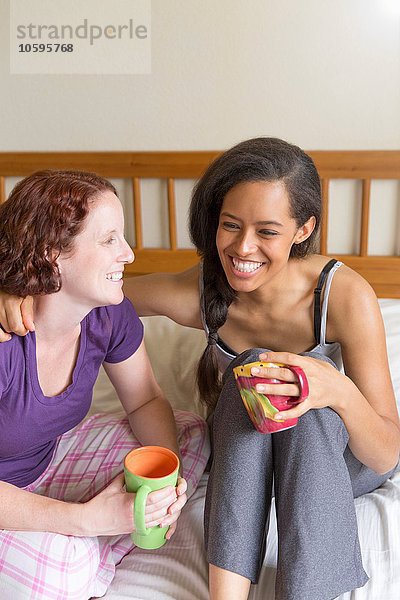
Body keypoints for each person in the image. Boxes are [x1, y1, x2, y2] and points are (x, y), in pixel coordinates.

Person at [1, 138, 399, 600]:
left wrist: (338, 392)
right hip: (246, 462)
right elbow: (82, 292)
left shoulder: (344, 296)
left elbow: (387, 454)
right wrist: (13, 286)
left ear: (303, 229)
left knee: (289, 381)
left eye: (268, 231)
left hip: (340, 462)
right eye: (230, 225)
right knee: (249, 373)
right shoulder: (199, 292)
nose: (243, 247)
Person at [0, 170, 210, 599]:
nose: (129, 254)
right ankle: (90, 555)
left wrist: (163, 480)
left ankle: (97, 540)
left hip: (50, 460)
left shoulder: (108, 315)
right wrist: (85, 521)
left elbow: (146, 399)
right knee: (64, 571)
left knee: (188, 432)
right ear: (51, 252)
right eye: (109, 239)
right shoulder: (6, 341)